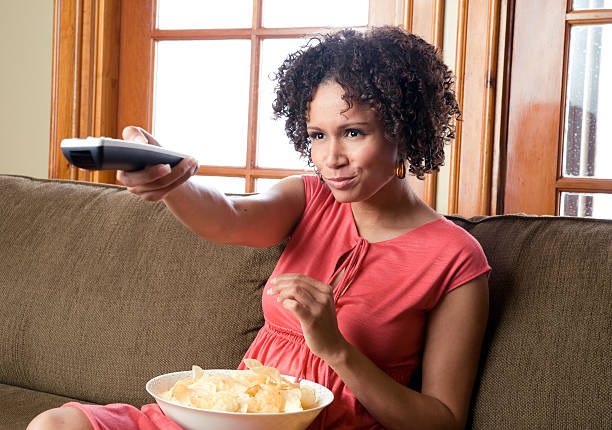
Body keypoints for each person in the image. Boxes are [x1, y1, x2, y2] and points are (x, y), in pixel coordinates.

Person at [28, 26, 490, 430]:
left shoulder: (455, 259)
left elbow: (442, 420)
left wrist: (336, 349)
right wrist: (171, 179)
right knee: (57, 423)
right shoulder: (309, 198)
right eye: (316, 135)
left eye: (353, 132)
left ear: (403, 129)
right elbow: (228, 217)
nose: (331, 158)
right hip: (234, 417)